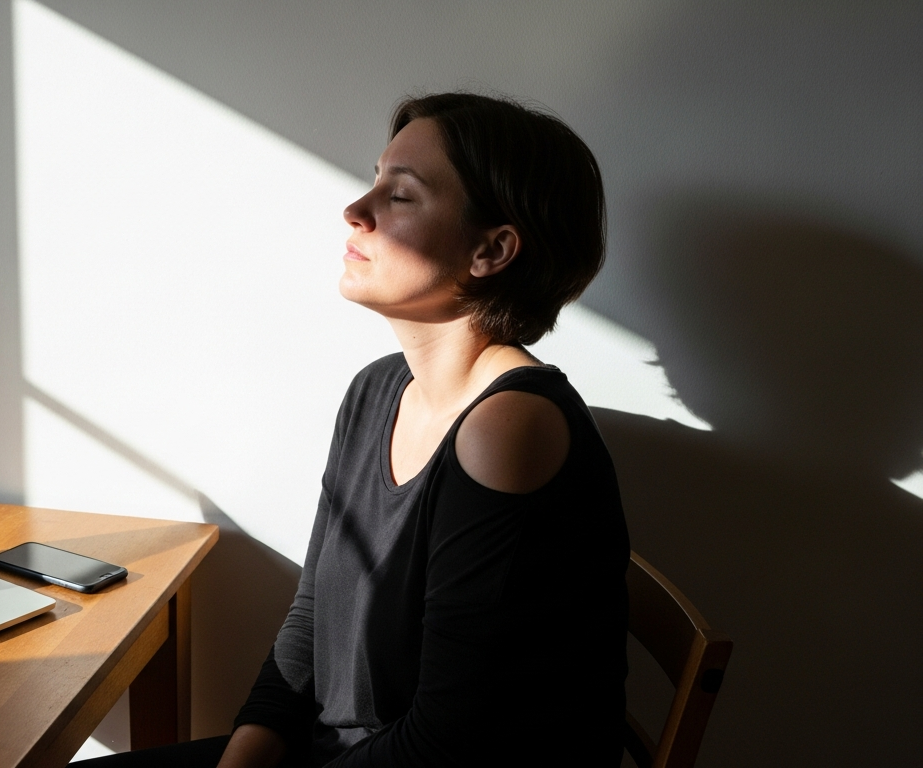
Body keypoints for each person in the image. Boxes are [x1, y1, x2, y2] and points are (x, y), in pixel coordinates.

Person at [74, 91, 629, 767]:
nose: (356, 211)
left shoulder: (508, 427)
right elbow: (313, 618)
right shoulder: (377, 390)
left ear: (492, 249)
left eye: (401, 195)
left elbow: (446, 740)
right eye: (375, 181)